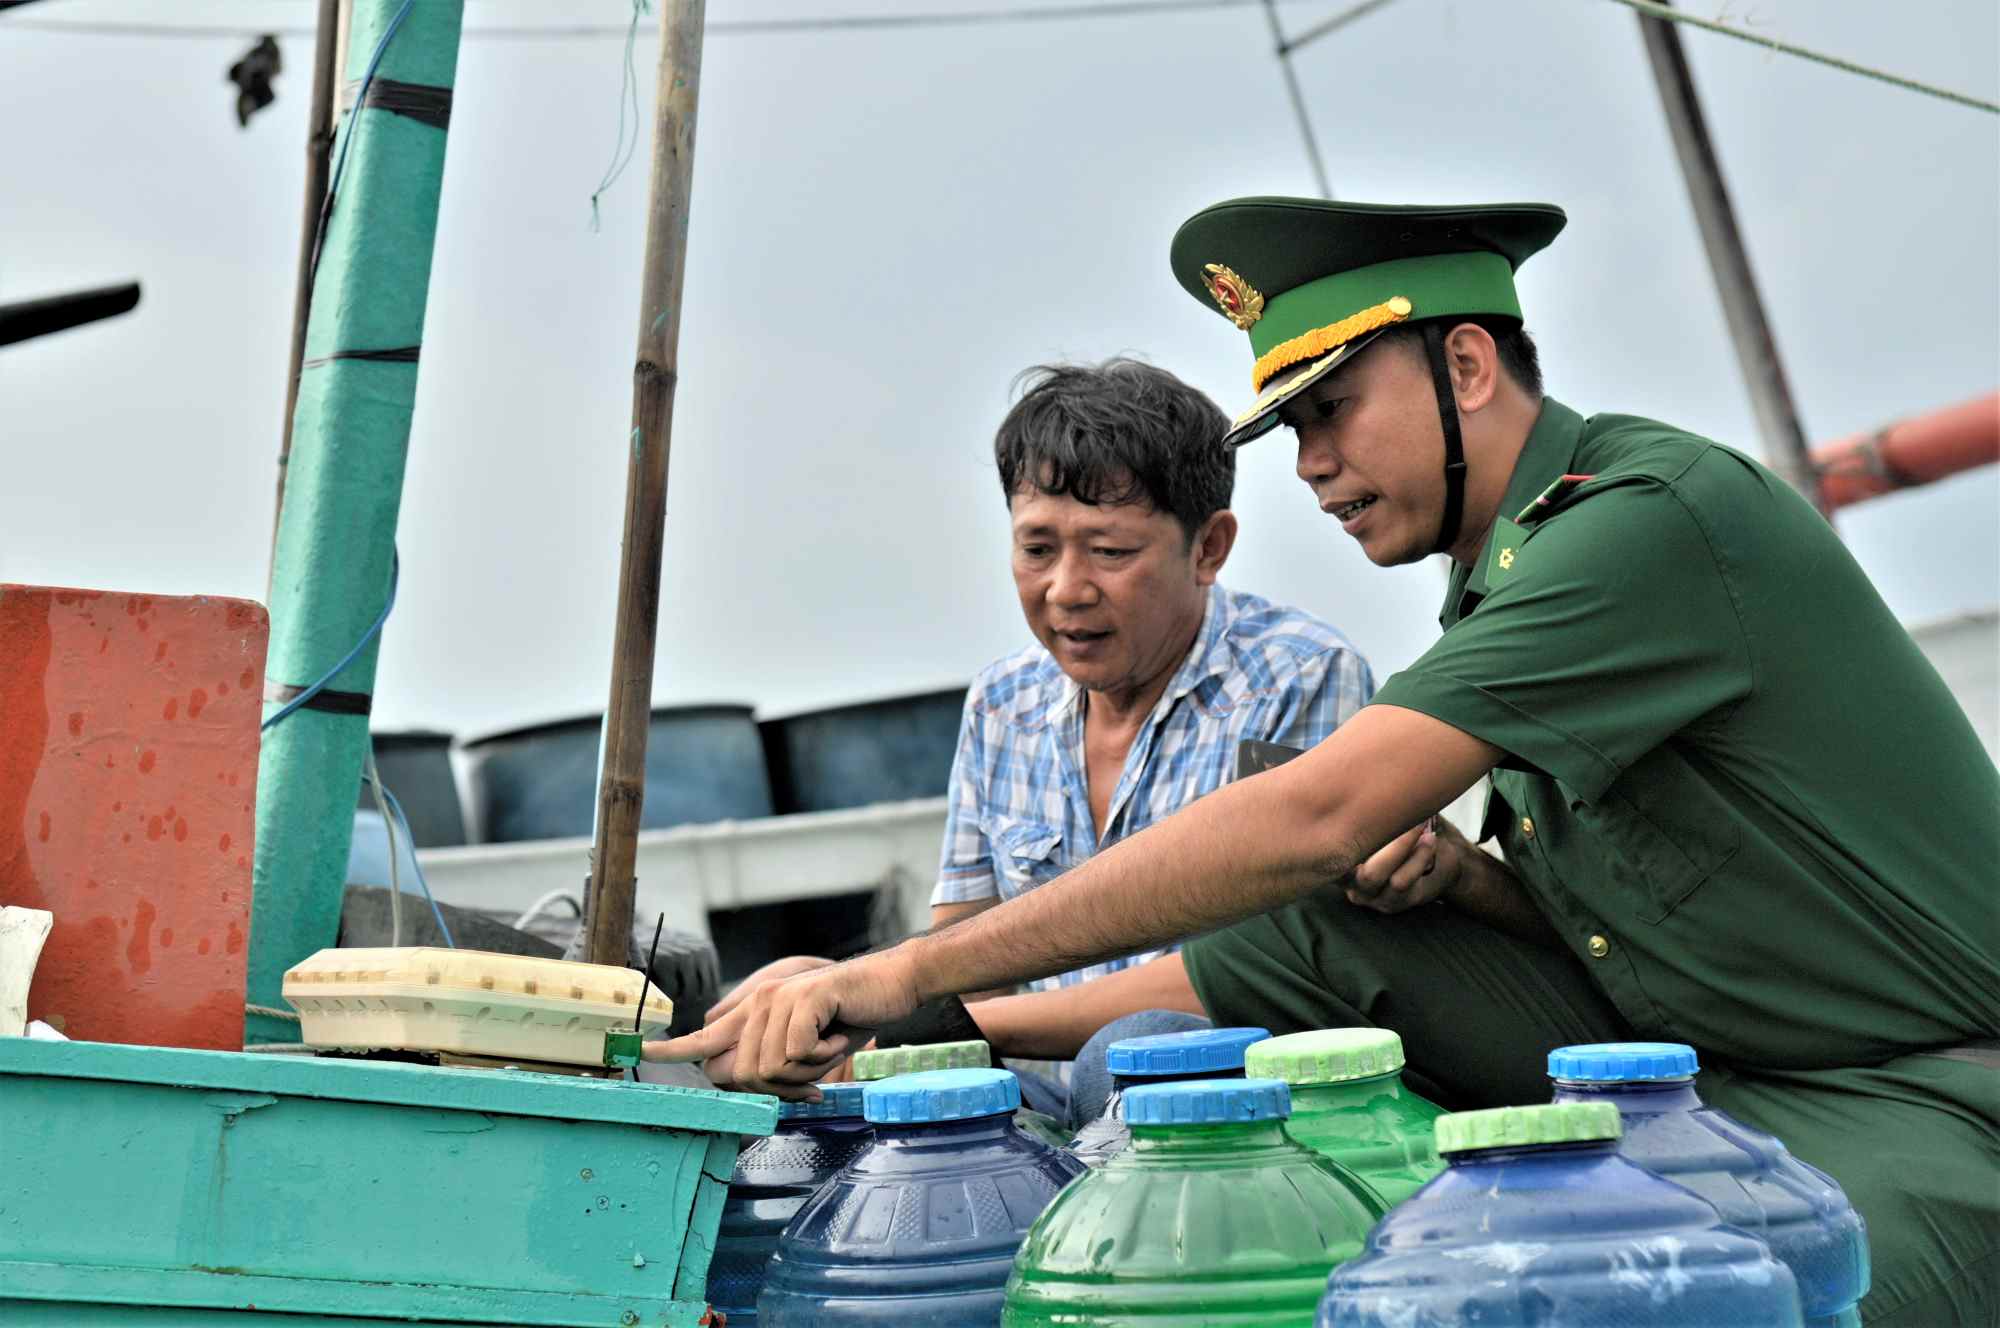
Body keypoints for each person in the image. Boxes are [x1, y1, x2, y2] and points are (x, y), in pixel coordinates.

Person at [653, 199, 1998, 1324]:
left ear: (1468, 369)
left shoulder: (1644, 526)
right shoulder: (1499, 576)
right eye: (1291, 431)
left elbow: (1313, 810)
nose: (1312, 465)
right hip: (1698, 1069)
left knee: (1696, 1294)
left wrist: (904, 970)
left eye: (1333, 411)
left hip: (1921, 1094)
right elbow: (1622, 910)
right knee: (1318, 921)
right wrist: (904, 1023)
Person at [698, 357, 1374, 1122]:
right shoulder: (1002, 703)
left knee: (1141, 1050)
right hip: (1038, 1092)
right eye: (1037, 548)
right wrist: (826, 999)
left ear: (1209, 548)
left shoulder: (1302, 679)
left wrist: (924, 1015)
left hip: (1234, 1105)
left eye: (1111, 552)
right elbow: (964, 960)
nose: (1066, 588)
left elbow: (1260, 976)